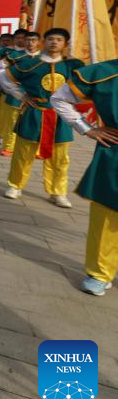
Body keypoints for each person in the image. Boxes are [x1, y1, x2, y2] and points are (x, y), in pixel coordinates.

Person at [50, 56, 118, 296]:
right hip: (115, 152)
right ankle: (100, 273)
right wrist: (85, 127)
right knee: (108, 216)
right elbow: (59, 98)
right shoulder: (103, 72)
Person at [0, 28, 83, 208]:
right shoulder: (30, 63)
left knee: (60, 156)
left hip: (60, 115)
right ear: (44, 41)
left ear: (65, 44)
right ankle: (15, 185)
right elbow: (3, 76)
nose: (54, 42)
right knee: (23, 153)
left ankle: (58, 191)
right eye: (51, 39)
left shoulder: (72, 66)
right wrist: (21, 95)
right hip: (34, 112)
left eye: (59, 40)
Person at [0, 29, 30, 156]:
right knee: (11, 119)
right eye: (18, 38)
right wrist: (10, 86)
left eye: (28, 39)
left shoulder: (40, 57)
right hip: (15, 92)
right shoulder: (12, 55)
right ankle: (9, 146)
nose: (23, 41)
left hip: (35, 95)